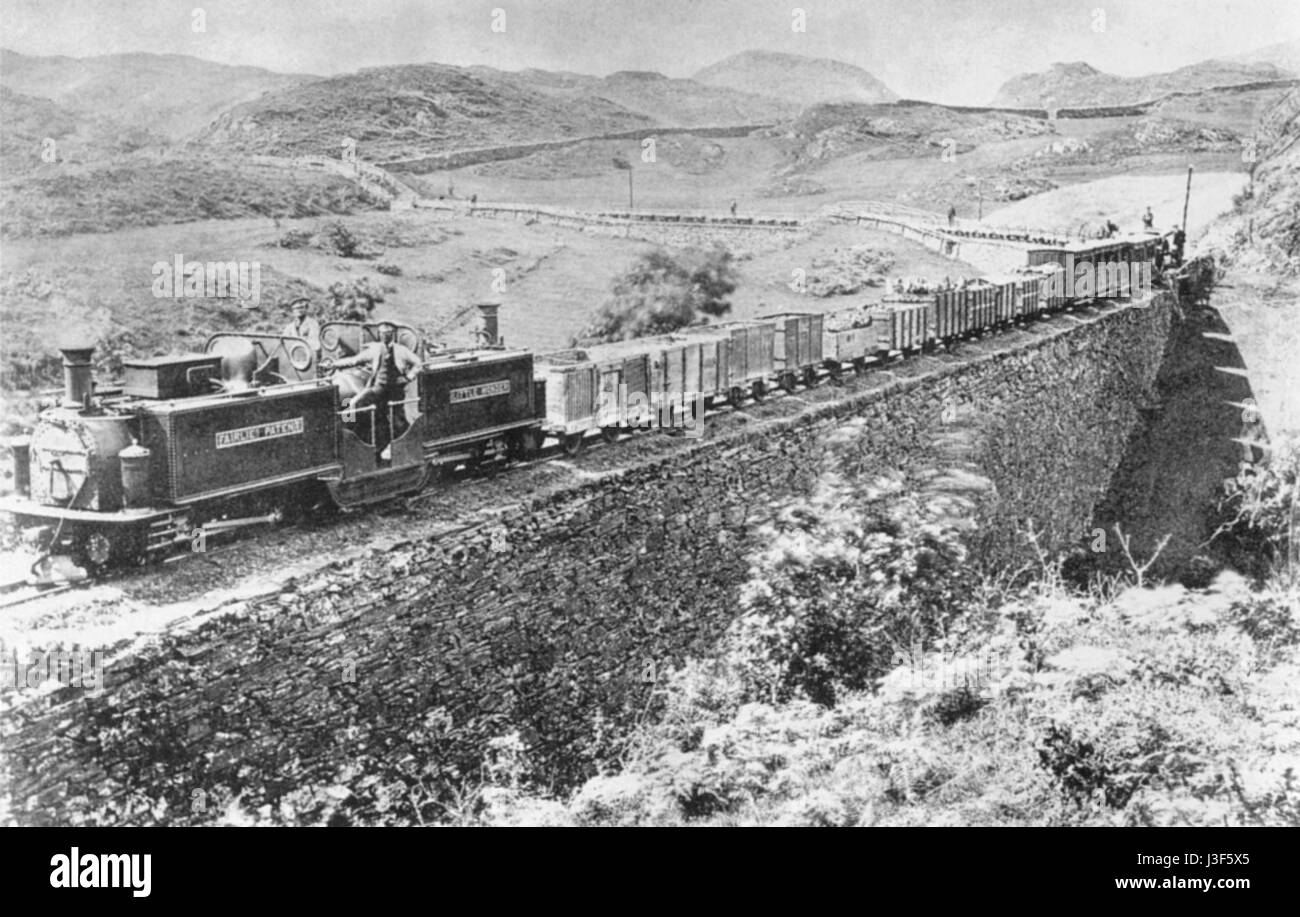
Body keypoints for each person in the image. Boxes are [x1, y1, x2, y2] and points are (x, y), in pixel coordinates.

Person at [330, 322, 421, 456]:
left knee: (397, 420)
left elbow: (418, 363)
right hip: (378, 388)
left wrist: (408, 377)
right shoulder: (375, 349)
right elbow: (354, 360)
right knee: (353, 402)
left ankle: (396, 445)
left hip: (395, 390)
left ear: (392, 335)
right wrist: (333, 364)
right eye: (382, 333)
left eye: (387, 333)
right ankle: (351, 434)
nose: (384, 336)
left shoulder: (401, 350)